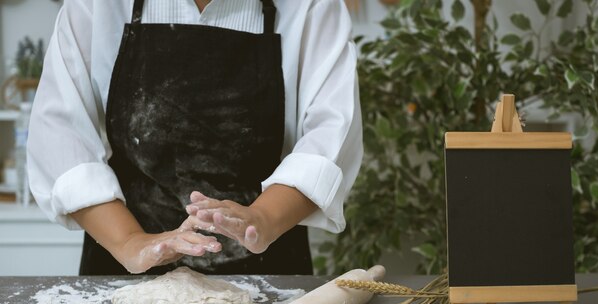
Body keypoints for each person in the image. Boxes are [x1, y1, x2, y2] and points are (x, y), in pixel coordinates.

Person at [27, 0, 362, 276]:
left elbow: (330, 136)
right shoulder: (96, 6)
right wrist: (131, 242)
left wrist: (262, 219)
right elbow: (61, 138)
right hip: (123, 266)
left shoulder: (313, 7)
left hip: (269, 265)